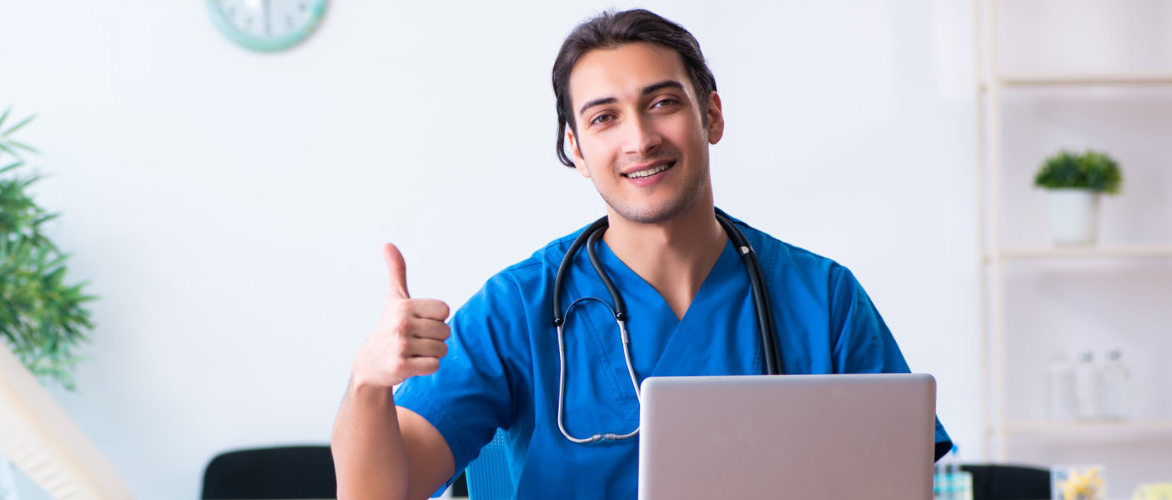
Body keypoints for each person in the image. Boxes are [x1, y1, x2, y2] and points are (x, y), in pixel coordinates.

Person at [331, 9, 951, 499]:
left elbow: (895, 482)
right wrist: (367, 385)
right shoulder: (519, 307)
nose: (640, 138)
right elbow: (382, 493)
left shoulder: (823, 298)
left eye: (663, 103)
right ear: (575, 148)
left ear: (710, 114)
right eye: (604, 118)